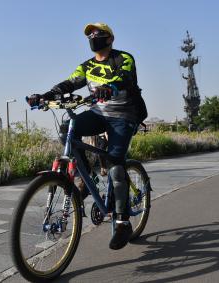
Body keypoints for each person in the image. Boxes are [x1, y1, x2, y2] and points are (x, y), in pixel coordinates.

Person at [27, 23, 147, 250]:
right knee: (68, 129)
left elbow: (125, 78)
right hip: (98, 113)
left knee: (115, 162)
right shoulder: (88, 65)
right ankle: (87, 176)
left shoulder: (123, 58)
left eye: (98, 34)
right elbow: (70, 82)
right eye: (90, 35)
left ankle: (122, 222)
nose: (93, 37)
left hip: (125, 114)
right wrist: (45, 95)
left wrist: (109, 87)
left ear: (110, 39)